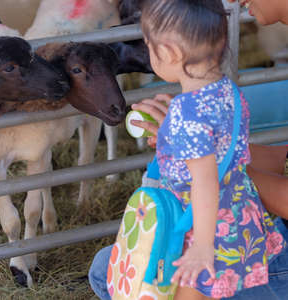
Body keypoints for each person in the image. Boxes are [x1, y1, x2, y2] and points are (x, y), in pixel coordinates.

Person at [89, 0, 287, 299]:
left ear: (168, 52)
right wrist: (179, 142)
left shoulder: (186, 112)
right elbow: (231, 153)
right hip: (242, 226)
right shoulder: (226, 91)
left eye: (149, 46)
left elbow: (207, 180)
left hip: (207, 233)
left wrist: (202, 247)